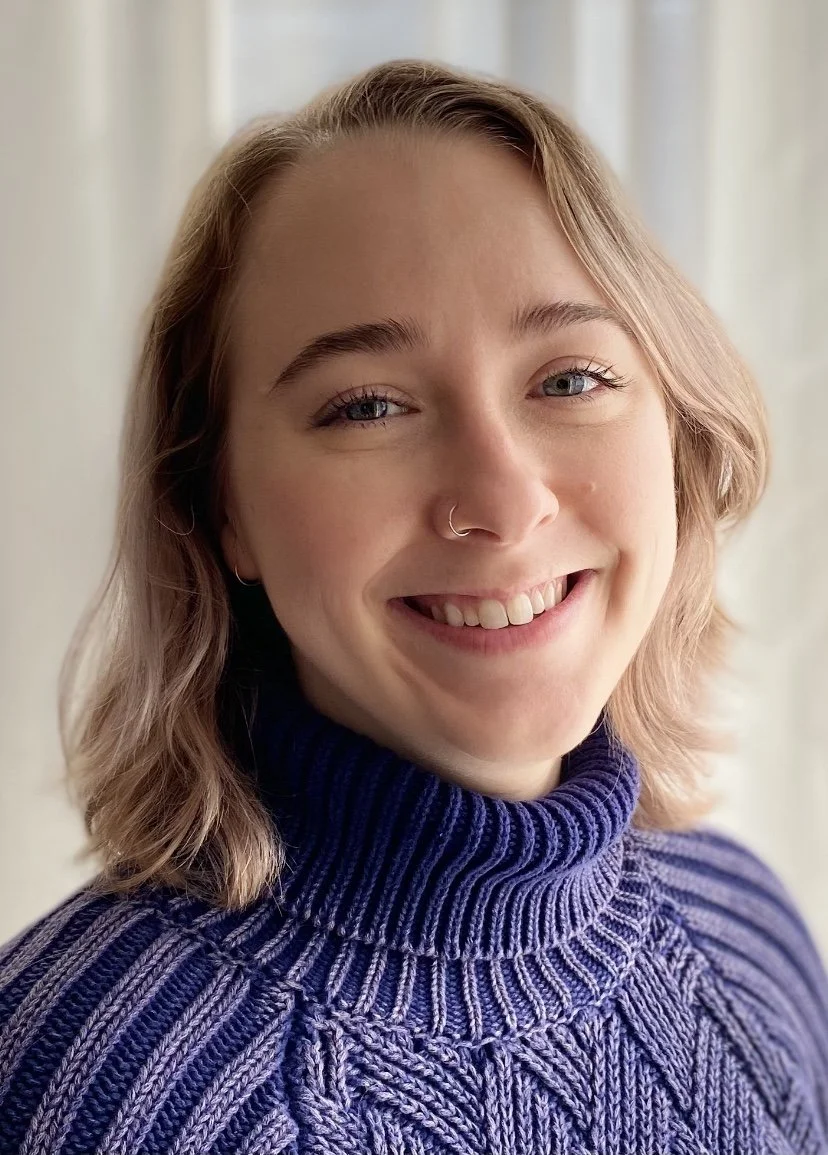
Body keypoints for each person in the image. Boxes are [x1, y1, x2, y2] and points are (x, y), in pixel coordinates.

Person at [1, 57, 826, 1155]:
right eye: (367, 406)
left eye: (570, 379)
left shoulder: (746, 934)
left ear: (675, 432)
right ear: (221, 508)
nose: (499, 500)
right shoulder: (93, 1080)